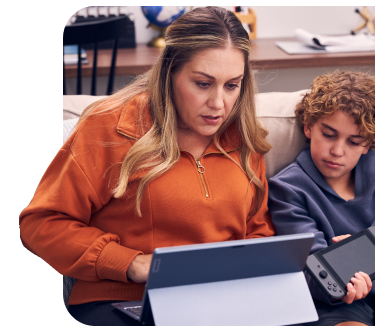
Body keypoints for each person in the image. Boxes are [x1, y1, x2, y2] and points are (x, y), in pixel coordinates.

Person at [21, 7, 274, 326]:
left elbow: (259, 231)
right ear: (170, 72)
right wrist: (132, 264)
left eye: (232, 85)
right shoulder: (109, 128)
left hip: (220, 302)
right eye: (202, 84)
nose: (219, 104)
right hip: (124, 300)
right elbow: (40, 224)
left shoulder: (244, 137)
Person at [268, 71, 375, 326]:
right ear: (309, 126)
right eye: (329, 134)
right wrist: (348, 269)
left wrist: (362, 260)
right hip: (336, 301)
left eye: (354, 141)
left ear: (368, 144)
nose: (337, 151)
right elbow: (309, 268)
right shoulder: (288, 190)